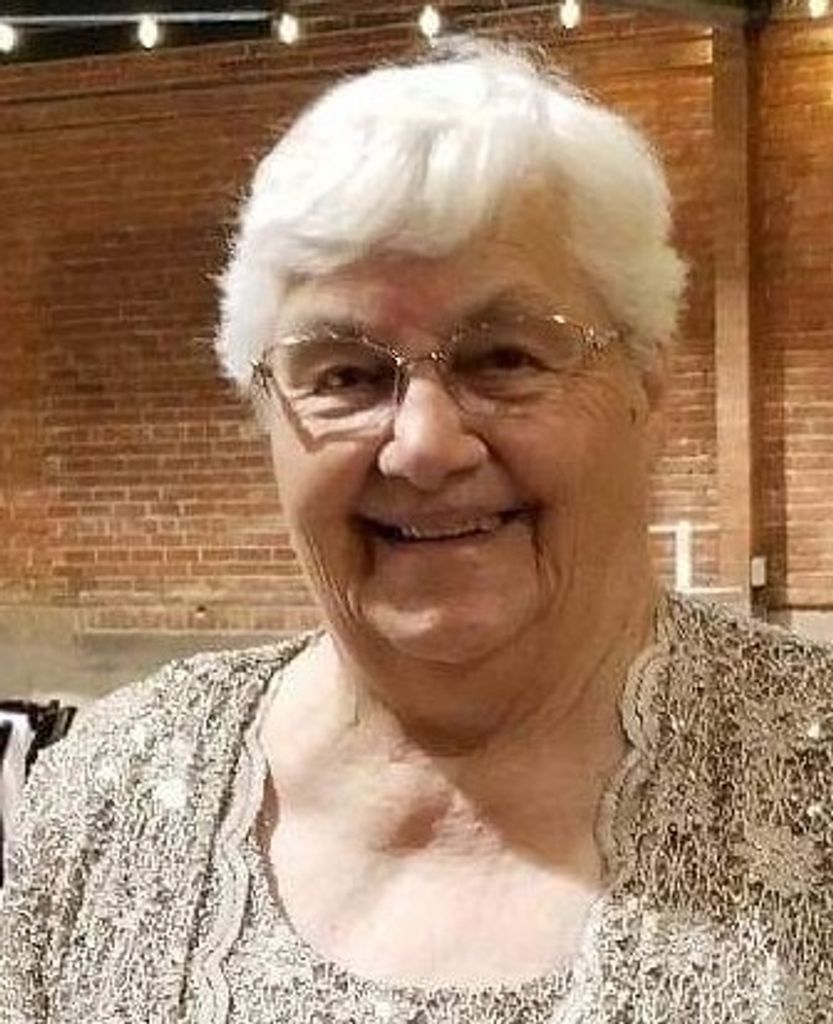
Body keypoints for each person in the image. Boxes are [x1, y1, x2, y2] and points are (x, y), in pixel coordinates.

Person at [1, 38, 831, 1024]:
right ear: (265, 412)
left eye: (506, 358)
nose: (424, 446)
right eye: (346, 375)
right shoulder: (108, 795)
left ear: (647, 388)